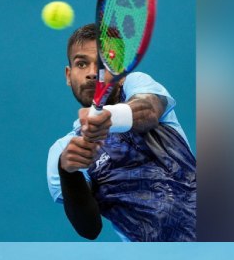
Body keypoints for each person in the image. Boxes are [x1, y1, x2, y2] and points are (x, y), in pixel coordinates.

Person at [46, 24, 197, 242]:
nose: (91, 73)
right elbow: (89, 229)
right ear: (69, 75)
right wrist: (68, 173)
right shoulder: (64, 150)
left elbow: (149, 110)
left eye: (102, 64)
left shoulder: (137, 85)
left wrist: (109, 117)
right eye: (81, 64)